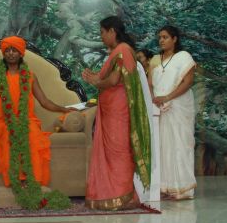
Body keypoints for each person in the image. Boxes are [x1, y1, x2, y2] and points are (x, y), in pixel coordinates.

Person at [82, 17, 154, 210]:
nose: (101, 37)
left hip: (118, 111)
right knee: (112, 151)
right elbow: (110, 78)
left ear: (112, 31)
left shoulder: (123, 50)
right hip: (111, 110)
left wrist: (95, 81)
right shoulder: (118, 51)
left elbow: (114, 80)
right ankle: (113, 194)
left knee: (119, 151)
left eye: (102, 32)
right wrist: (95, 78)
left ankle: (123, 195)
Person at [0, 36, 68, 188]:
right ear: (3, 53)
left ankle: (31, 179)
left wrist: (65, 109)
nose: (11, 53)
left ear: (21, 53)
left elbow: (44, 101)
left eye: (14, 50)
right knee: (10, 132)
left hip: (25, 118)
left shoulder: (30, 76)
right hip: (2, 119)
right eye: (7, 50)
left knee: (33, 135)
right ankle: (15, 179)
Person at [150, 25, 197, 200]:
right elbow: (151, 84)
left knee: (180, 146)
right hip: (161, 110)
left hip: (179, 107)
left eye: (165, 37)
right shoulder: (157, 60)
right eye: (160, 37)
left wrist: (168, 97)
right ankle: (166, 187)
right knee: (164, 147)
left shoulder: (183, 57)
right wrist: (156, 99)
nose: (161, 40)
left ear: (175, 39)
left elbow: (188, 82)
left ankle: (183, 189)